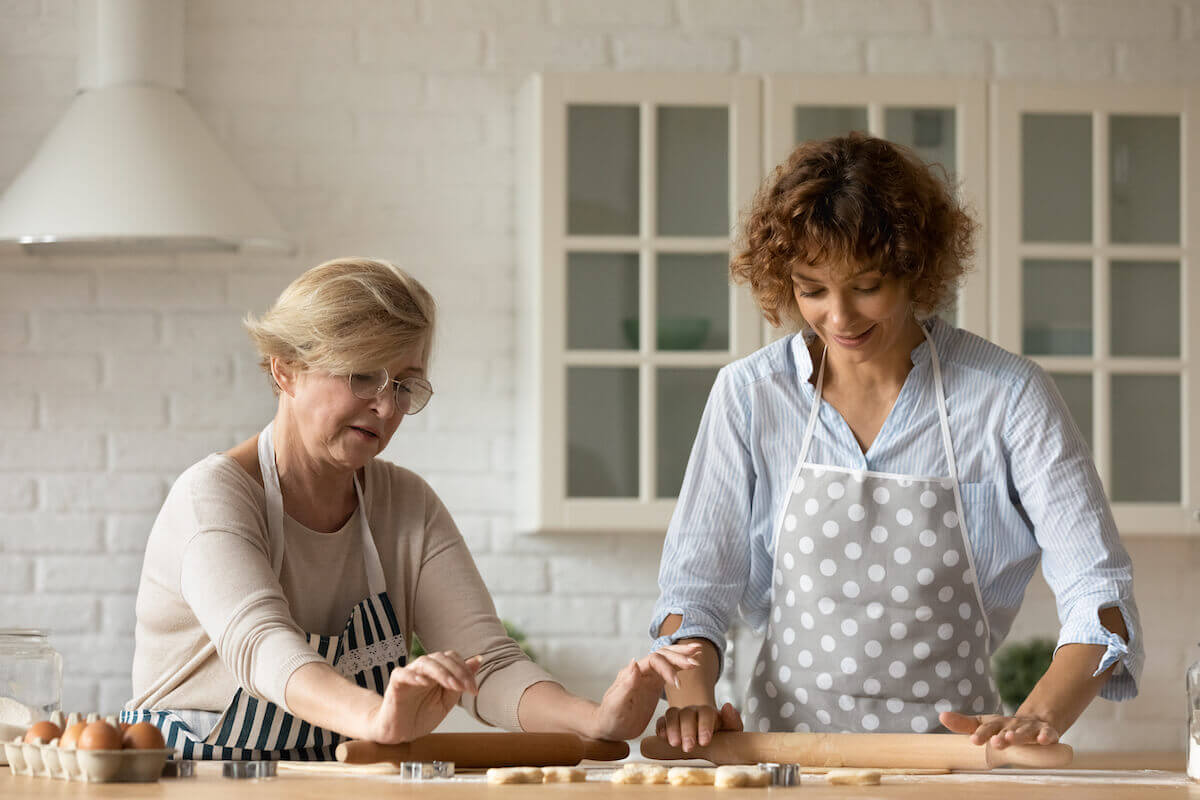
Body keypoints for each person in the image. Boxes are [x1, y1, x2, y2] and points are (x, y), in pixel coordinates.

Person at [648, 133, 1142, 753]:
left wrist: (1039, 713)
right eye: (812, 288)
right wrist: (691, 705)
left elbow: (1099, 593)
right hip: (784, 764)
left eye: (866, 285)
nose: (838, 318)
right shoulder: (750, 396)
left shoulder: (1007, 397)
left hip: (952, 768)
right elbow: (695, 592)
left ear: (916, 267)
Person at [123, 257, 698, 760]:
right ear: (284, 369)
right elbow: (263, 648)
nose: (384, 405)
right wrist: (377, 719)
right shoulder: (215, 496)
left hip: (332, 782)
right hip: (192, 779)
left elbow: (488, 663)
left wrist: (594, 719)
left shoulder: (406, 506)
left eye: (404, 384)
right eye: (362, 375)